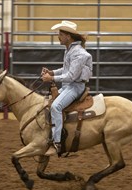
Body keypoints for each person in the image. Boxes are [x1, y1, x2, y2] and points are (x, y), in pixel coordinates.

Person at [41, 20, 93, 156]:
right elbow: (65, 69)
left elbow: (71, 75)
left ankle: (57, 143)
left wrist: (51, 79)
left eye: (60, 34)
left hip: (75, 87)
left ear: (68, 36)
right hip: (69, 86)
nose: (58, 36)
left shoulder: (78, 53)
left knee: (55, 107)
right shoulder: (71, 50)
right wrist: (52, 72)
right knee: (49, 104)